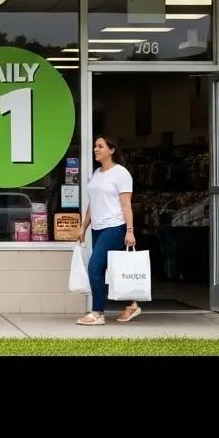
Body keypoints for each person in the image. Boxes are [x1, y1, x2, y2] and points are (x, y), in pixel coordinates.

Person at [75, 135, 140, 325]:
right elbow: (92, 204)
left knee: (95, 267)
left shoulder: (121, 173)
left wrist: (130, 230)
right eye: (95, 146)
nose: (96, 149)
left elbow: (126, 204)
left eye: (100, 146)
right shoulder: (97, 173)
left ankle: (97, 313)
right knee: (110, 269)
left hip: (115, 227)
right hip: (98, 227)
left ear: (111, 150)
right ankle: (132, 304)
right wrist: (83, 226)